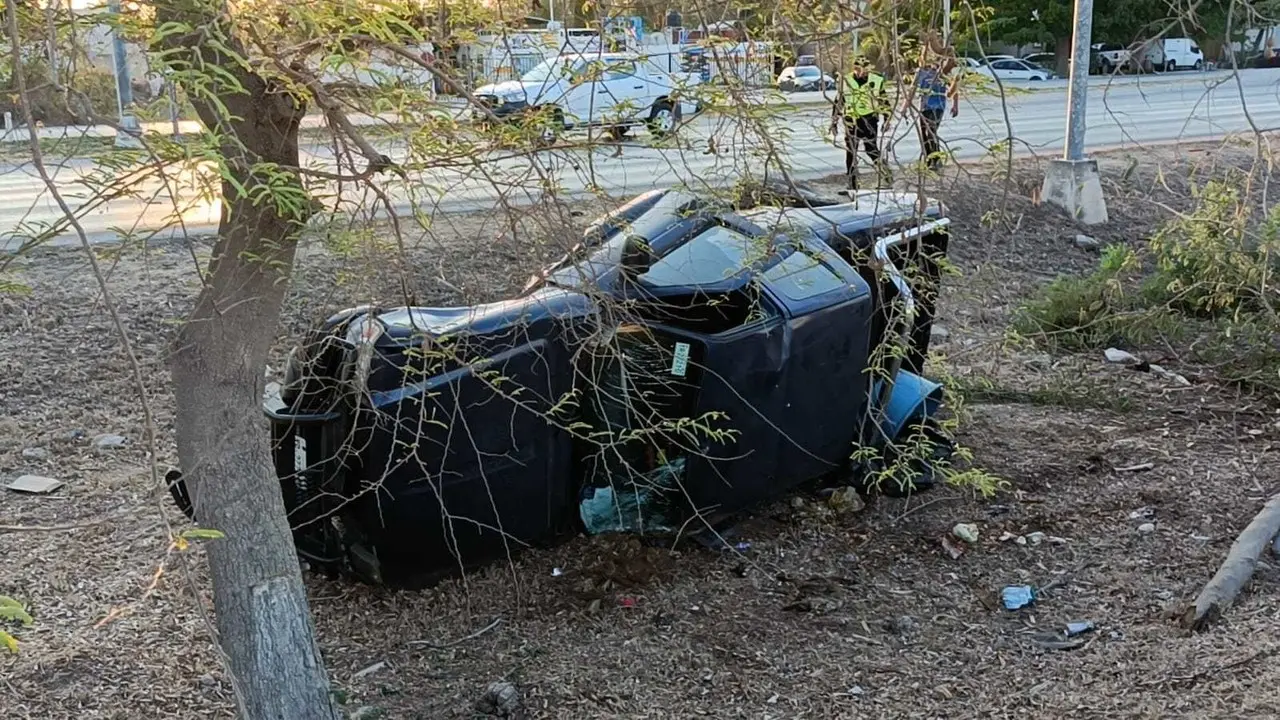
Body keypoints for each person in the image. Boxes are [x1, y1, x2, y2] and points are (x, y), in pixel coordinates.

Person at [830, 57, 891, 191]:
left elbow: (884, 101)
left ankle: (887, 177)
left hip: (869, 119)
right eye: (859, 69)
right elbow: (839, 101)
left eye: (865, 69)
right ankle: (852, 184)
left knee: (872, 150)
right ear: (854, 69)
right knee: (851, 152)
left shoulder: (876, 80)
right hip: (851, 120)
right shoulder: (845, 80)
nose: (862, 72)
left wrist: (887, 119)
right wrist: (834, 122)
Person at [902, 52, 960, 171]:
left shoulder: (943, 73)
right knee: (924, 135)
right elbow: (912, 90)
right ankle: (929, 160)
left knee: (931, 132)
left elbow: (954, 88)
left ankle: (936, 159)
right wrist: (904, 107)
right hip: (924, 107)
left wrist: (955, 105)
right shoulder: (921, 72)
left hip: (938, 106)